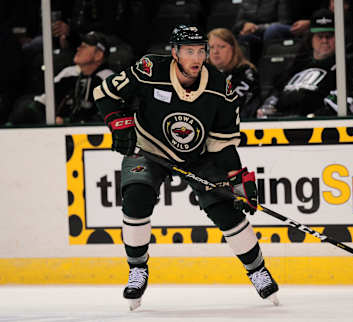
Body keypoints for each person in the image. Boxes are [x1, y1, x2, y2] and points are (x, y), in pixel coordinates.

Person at [93, 24, 279, 310]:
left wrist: (238, 180)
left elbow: (223, 143)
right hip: (148, 147)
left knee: (225, 210)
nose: (196, 57)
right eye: (189, 51)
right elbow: (104, 94)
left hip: (199, 156)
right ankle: (137, 269)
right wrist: (119, 125)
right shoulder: (149, 69)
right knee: (136, 198)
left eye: (200, 51)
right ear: (175, 52)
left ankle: (257, 270)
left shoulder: (220, 86)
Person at [257, 9, 353, 118]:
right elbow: (275, 94)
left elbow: (343, 104)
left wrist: (313, 118)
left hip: (315, 129)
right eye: (320, 36)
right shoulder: (298, 65)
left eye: (329, 36)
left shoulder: (345, 67)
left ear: (339, 38)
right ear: (311, 38)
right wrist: (267, 109)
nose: (324, 41)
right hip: (282, 124)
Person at [8, 31, 113, 125]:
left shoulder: (109, 80)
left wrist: (68, 122)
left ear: (98, 55)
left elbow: (110, 116)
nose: (78, 48)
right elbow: (43, 102)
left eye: (84, 46)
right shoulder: (69, 73)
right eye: (80, 45)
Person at [207, 28, 261, 119]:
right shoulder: (202, 74)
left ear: (233, 49)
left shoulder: (245, 72)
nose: (215, 51)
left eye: (221, 46)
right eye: (211, 47)